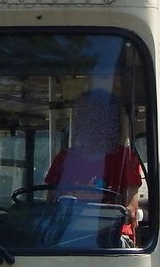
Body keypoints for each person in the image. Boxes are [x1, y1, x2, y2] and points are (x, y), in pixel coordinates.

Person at [44, 89, 142, 246]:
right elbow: (50, 204)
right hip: (64, 236)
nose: (91, 125)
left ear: (112, 124)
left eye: (99, 119)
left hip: (111, 239)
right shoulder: (64, 159)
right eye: (85, 118)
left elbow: (130, 210)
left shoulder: (125, 159)